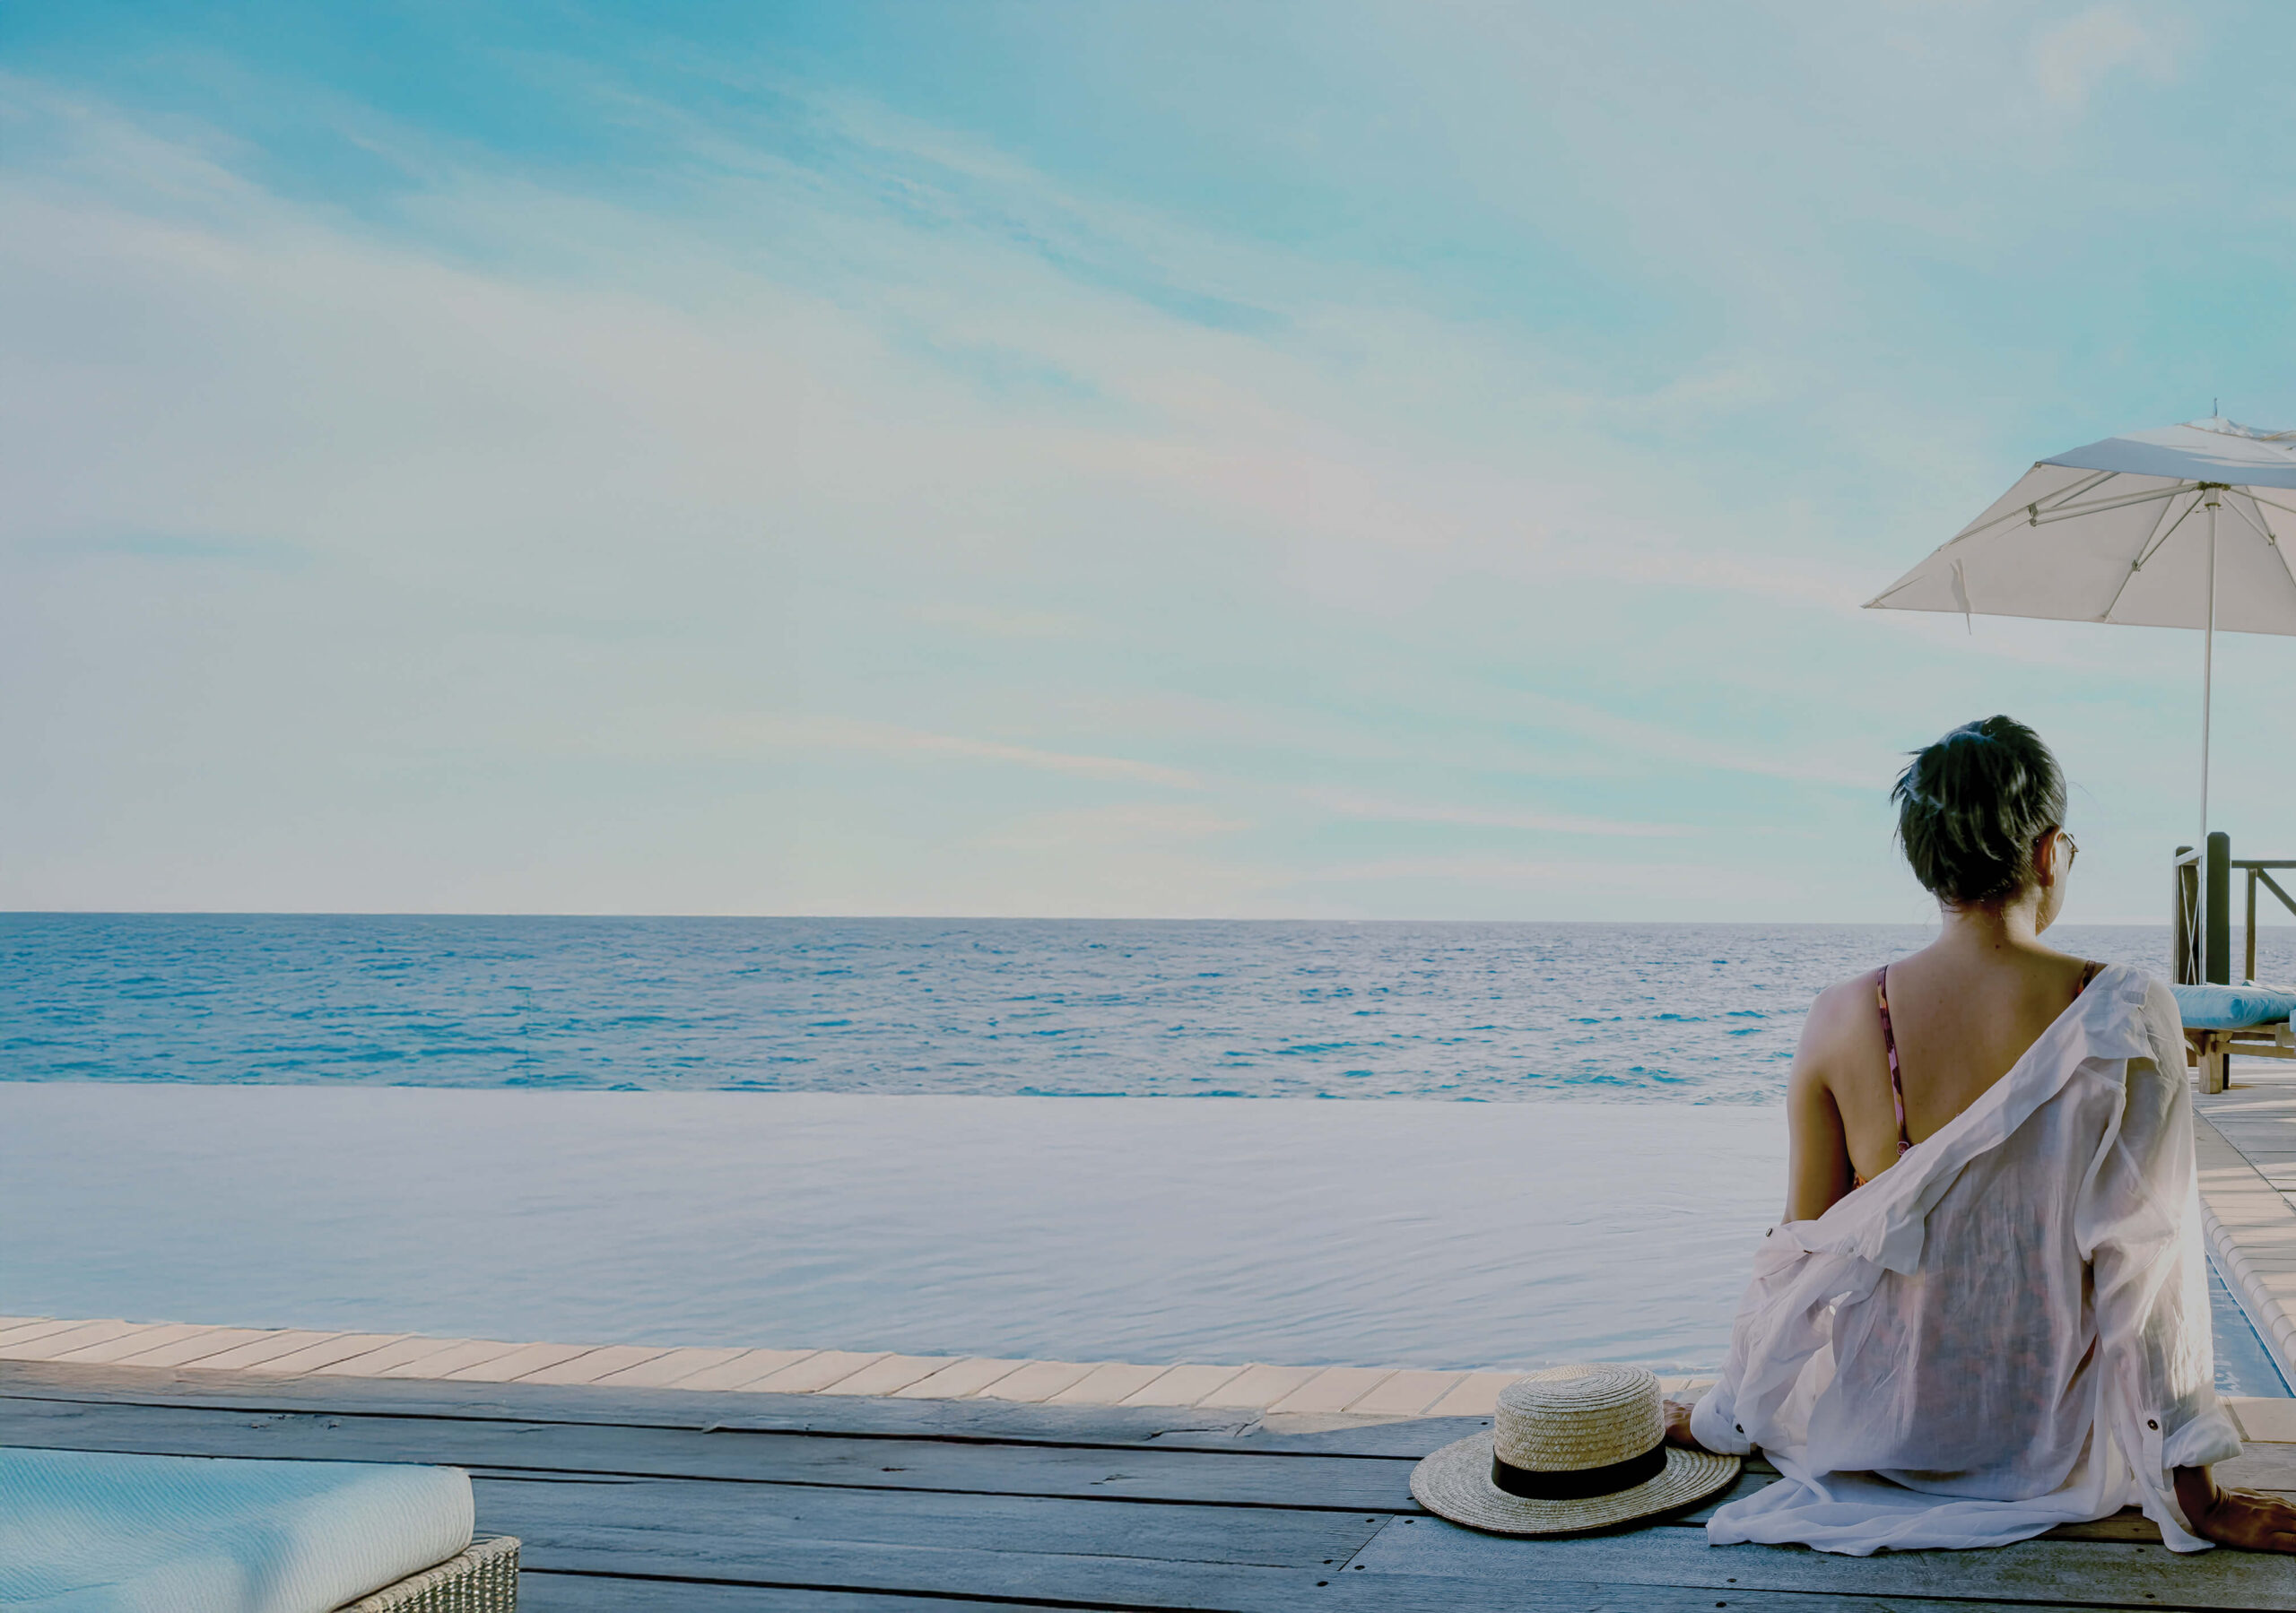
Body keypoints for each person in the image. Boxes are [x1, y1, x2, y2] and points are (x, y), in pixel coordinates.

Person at [1663, 715, 2296, 1555]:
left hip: (1872, 1438)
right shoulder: (2125, 1014)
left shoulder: (1843, 1018)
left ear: (1928, 863)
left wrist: (1724, 1418)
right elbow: (2147, 1273)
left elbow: (1797, 1264)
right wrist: (2197, 1494)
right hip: (2045, 1454)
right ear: (2048, 853)